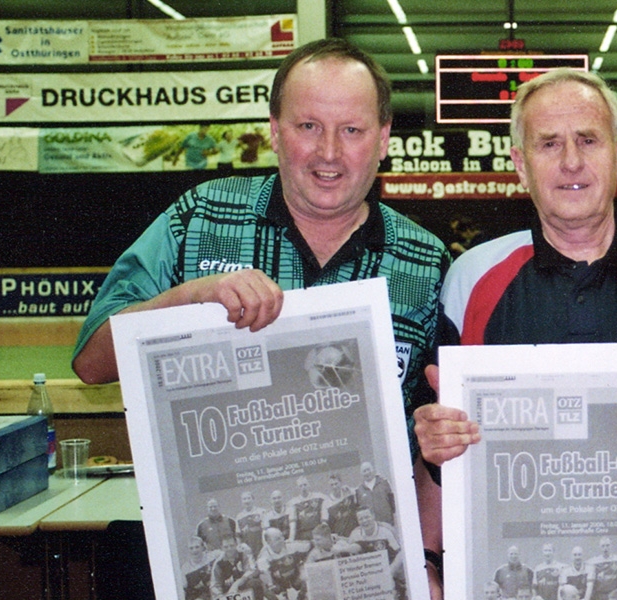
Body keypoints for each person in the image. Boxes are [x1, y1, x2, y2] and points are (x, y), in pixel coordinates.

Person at [411, 66, 617, 597]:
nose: (571, 162)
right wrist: (434, 446)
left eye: (588, 140)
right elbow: (441, 459)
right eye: (549, 144)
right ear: (520, 166)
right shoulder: (470, 281)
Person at [69, 35, 448, 490]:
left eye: (352, 130)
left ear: (383, 139)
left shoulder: (427, 262)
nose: (328, 152)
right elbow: (91, 363)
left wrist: (427, 553)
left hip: (362, 542)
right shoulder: (199, 218)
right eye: (308, 126)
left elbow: (438, 437)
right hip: (215, 532)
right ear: (274, 130)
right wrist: (193, 297)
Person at [256, 527, 312, 599]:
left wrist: (305, 565)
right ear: (269, 542)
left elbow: (312, 545)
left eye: (282, 536)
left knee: (307, 576)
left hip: (296, 579)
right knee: (264, 584)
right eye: (277, 539)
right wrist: (273, 587)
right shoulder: (263, 556)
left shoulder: (291, 545)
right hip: (278, 585)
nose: (282, 540)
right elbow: (266, 578)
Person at [209, 535, 264, 599]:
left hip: (244, 588)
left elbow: (251, 570)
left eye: (232, 546)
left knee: (255, 583)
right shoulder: (218, 563)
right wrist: (220, 596)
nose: (229, 549)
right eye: (226, 547)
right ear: (222, 548)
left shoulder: (243, 555)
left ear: (236, 545)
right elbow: (215, 584)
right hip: (228, 592)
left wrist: (237, 583)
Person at [355, 460, 397, 528]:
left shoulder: (384, 483)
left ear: (373, 470)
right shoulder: (359, 490)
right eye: (364, 471)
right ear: (361, 474)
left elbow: (392, 503)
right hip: (370, 526)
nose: (367, 473)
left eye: (368, 470)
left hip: (387, 523)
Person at [181, 535, 219, 600]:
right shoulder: (185, 568)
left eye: (197, 547)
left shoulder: (213, 556)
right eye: (191, 548)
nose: (194, 550)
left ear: (202, 547)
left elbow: (226, 553)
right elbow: (183, 589)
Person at [325, 472, 360, 537]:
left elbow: (358, 493)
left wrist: (350, 490)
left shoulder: (349, 493)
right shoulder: (327, 502)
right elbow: (327, 523)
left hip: (355, 532)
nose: (334, 487)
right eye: (332, 485)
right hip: (340, 537)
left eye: (336, 484)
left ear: (340, 483)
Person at [235, 490, 267, 558]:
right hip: (248, 550)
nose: (247, 501)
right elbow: (238, 535)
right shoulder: (239, 516)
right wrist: (240, 547)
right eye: (244, 499)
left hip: (262, 547)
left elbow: (266, 530)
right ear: (241, 501)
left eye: (249, 498)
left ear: (253, 499)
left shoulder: (262, 512)